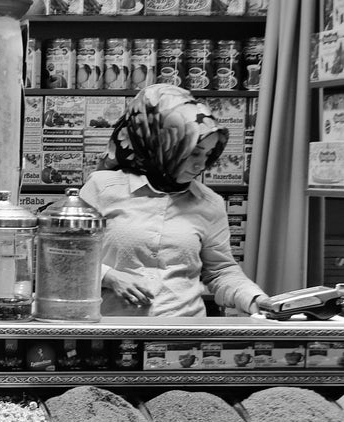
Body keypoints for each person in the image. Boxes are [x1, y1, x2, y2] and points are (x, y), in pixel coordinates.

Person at [80, 83, 267, 317]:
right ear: (162, 142)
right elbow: (68, 259)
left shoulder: (210, 202)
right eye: (193, 152)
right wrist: (111, 277)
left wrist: (256, 299)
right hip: (112, 332)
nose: (201, 165)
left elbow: (221, 272)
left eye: (209, 155)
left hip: (183, 334)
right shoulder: (102, 187)